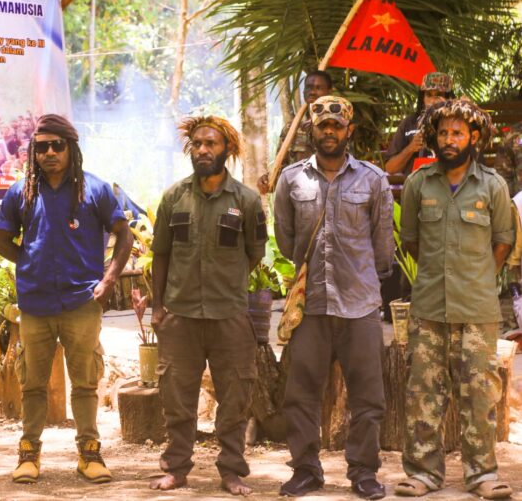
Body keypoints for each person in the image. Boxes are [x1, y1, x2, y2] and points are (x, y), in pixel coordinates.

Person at [0, 114, 132, 485]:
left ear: (71, 147)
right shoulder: (20, 193)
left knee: (85, 383)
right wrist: (31, 262)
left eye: (58, 145)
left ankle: (90, 454)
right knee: (33, 384)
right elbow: (2, 242)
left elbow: (124, 235)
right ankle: (29, 455)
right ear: (33, 152)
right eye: (42, 147)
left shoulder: (95, 190)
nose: (50, 153)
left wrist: (108, 280)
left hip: (82, 303)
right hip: (35, 304)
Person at [274, 96, 394, 499]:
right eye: (322, 125)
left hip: (360, 304)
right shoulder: (291, 180)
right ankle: (306, 470)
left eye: (336, 125)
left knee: (368, 396)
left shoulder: (373, 179)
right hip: (310, 306)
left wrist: (362, 278)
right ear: (311, 130)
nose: (329, 131)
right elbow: (286, 240)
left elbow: (382, 246)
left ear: (349, 131)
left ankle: (363, 472)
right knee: (301, 394)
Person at [396, 99, 514, 499]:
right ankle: (423, 474)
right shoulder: (418, 183)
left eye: (458, 133)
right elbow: (411, 241)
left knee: (480, 395)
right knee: (423, 393)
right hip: (429, 308)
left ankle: (482, 475)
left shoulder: (493, 185)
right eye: (444, 133)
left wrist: (474, 279)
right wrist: (438, 275)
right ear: (435, 137)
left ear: (473, 137)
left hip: (478, 310)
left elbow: (503, 242)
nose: (450, 140)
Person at [149, 115, 266, 496]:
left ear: (227, 149)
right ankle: (176, 468)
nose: (202, 150)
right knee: (176, 399)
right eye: (197, 144)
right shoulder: (174, 198)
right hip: (180, 316)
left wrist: (224, 282)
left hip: (229, 316)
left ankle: (231, 471)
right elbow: (161, 254)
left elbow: (254, 253)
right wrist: (158, 307)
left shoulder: (246, 201)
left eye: (211, 143)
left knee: (235, 399)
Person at [258, 70, 334, 194]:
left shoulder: (338, 128)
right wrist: (267, 180)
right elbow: (280, 173)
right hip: (297, 199)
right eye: (309, 87)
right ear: (303, 92)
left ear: (329, 92)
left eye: (318, 88)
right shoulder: (291, 129)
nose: (312, 92)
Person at [384, 72, 456, 176]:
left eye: (439, 95)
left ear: (449, 98)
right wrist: (411, 148)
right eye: (429, 95)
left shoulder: (457, 124)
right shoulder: (409, 123)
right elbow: (390, 168)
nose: (433, 100)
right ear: (423, 98)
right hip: (415, 183)